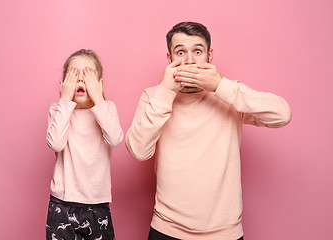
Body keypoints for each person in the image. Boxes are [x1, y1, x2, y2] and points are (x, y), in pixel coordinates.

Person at [125, 22, 291, 240]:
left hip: (225, 233)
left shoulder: (229, 94)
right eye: (180, 52)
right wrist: (165, 92)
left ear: (209, 56)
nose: (190, 60)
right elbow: (138, 150)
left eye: (197, 51)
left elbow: (282, 115)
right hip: (167, 229)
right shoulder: (155, 96)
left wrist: (220, 86)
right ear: (169, 59)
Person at [45, 49, 123, 240]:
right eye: (74, 75)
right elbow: (55, 143)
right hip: (62, 203)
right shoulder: (58, 110)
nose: (80, 80)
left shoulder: (106, 109)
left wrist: (98, 98)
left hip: (97, 203)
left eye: (87, 76)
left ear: (99, 84)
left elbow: (115, 139)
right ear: (63, 85)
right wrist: (64, 100)